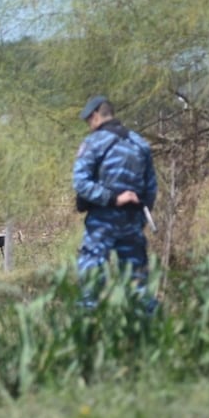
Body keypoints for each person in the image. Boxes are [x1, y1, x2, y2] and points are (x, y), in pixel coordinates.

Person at [72, 96, 158, 312]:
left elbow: (81, 182)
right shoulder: (140, 143)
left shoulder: (94, 143)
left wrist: (112, 198)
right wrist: (138, 216)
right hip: (132, 221)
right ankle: (149, 334)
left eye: (88, 121)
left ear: (95, 117)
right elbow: (151, 189)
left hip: (102, 221)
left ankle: (88, 332)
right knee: (138, 284)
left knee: (91, 282)